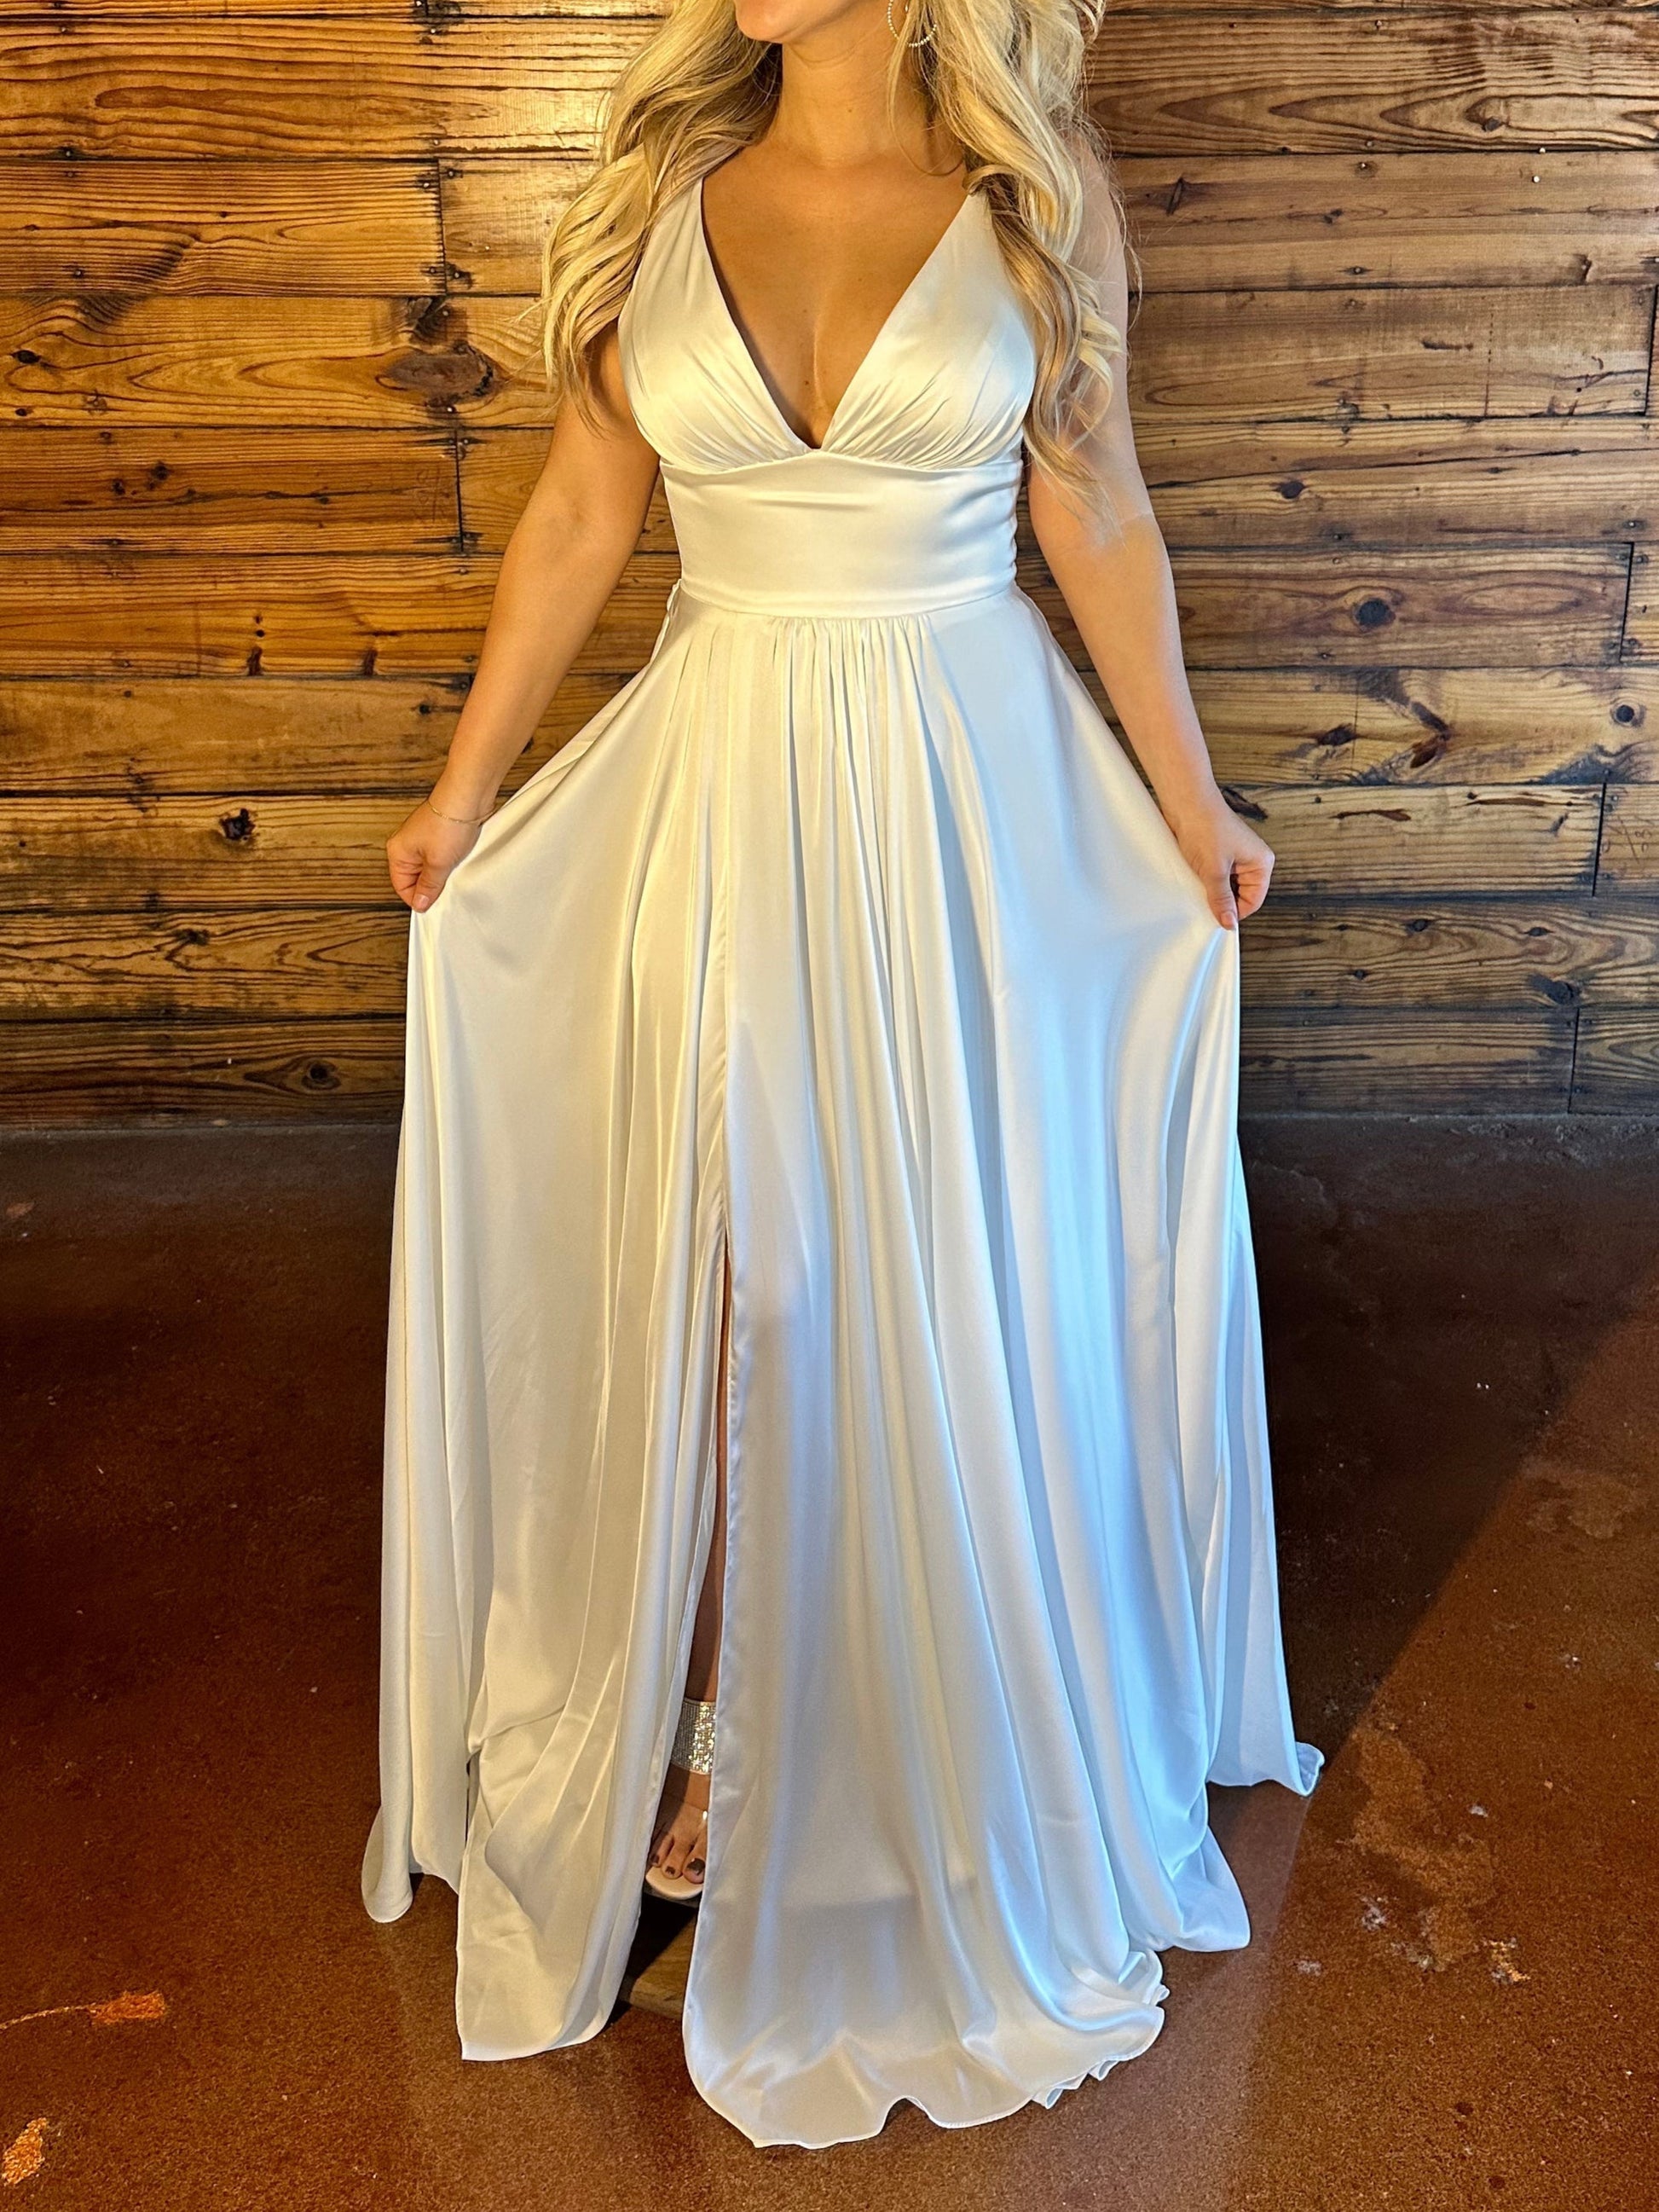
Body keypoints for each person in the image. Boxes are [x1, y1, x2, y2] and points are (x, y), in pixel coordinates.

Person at [360, 0, 1321, 2151]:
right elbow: (582, 512)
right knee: (723, 1275)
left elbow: (1097, 521)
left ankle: (926, 1718)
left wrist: (1193, 810)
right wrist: (463, 790)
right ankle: (719, 1719)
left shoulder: (1030, 201)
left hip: (957, 806)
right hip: (714, 793)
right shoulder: (662, 196)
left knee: (922, 1274)